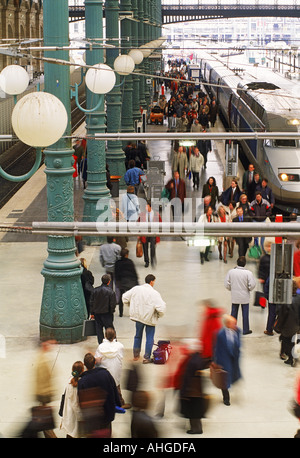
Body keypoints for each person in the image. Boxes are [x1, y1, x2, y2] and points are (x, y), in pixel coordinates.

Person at [122, 274, 166, 364]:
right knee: (149, 338)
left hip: (138, 318)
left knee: (137, 336)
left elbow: (125, 297)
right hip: (150, 319)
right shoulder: (155, 293)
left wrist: (131, 306)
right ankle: (146, 357)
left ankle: (136, 355)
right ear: (151, 282)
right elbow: (161, 308)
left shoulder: (136, 289)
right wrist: (159, 315)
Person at [77, 352, 121, 437]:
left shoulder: (82, 382)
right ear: (95, 363)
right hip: (107, 413)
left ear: (84, 365)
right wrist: (117, 404)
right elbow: (114, 390)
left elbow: (80, 401)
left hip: (92, 419)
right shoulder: (106, 374)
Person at [178, 342, 209, 434]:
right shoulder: (199, 358)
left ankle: (196, 429)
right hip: (198, 391)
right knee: (196, 412)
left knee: (193, 412)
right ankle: (197, 428)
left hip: (192, 391)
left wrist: (183, 391)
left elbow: (187, 377)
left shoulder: (192, 361)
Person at [95, 328, 130, 408]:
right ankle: (120, 402)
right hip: (116, 371)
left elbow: (97, 360)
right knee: (116, 386)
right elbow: (121, 356)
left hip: (105, 373)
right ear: (114, 336)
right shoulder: (120, 346)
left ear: (105, 336)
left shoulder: (101, 347)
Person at [213, 315, 242, 406]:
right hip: (224, 359)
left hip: (234, 359)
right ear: (228, 324)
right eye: (233, 323)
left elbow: (238, 344)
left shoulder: (237, 331)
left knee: (233, 375)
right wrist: (216, 362)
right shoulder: (220, 334)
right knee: (224, 380)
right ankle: (226, 398)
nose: (235, 325)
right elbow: (216, 349)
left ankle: (232, 383)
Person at [224, 256, 256, 335]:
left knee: (234, 312)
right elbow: (252, 285)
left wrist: (231, 288)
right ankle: (245, 330)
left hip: (235, 295)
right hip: (245, 296)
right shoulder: (248, 273)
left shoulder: (231, 272)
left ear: (237, 263)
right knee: (245, 314)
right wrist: (248, 289)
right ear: (245, 264)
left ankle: (232, 328)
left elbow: (226, 283)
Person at [33, 339, 57, 438]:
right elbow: (44, 380)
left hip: (41, 393)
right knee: (45, 419)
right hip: (43, 394)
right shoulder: (43, 361)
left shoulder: (40, 358)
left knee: (43, 417)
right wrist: (49, 392)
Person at [275, 278, 300, 367]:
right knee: (292, 341)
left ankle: (292, 358)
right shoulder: (299, 298)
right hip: (296, 325)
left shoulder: (287, 301)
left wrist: (278, 327)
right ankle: (292, 358)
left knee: (286, 341)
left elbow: (282, 316)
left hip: (288, 326)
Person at [90, 274, 117, 345]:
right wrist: (111, 312)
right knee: (110, 329)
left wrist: (92, 313)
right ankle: (113, 343)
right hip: (107, 314)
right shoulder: (111, 292)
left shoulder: (95, 290)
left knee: (99, 330)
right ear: (109, 281)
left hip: (97, 314)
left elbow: (91, 303)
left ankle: (101, 344)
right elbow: (112, 304)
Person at [60, 361, 84, 438]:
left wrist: (62, 417)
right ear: (82, 371)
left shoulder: (69, 382)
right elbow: (75, 404)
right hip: (75, 417)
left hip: (68, 415)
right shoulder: (79, 384)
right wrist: (81, 418)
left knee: (69, 434)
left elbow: (64, 399)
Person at [258, 238, 276, 335]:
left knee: (272, 310)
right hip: (266, 280)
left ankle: (270, 328)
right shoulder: (264, 258)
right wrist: (261, 277)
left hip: (271, 282)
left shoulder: (275, 257)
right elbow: (260, 268)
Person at [114, 248, 139, 317]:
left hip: (121, 282)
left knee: (121, 297)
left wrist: (117, 282)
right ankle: (132, 312)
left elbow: (116, 273)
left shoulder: (117, 263)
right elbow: (134, 273)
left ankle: (121, 313)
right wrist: (137, 282)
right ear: (126, 255)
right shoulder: (130, 262)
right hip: (130, 282)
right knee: (132, 298)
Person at [138, 201, 162, 268]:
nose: (145, 208)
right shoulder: (142, 214)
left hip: (153, 233)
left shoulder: (156, 214)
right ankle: (147, 261)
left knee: (153, 247)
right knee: (145, 248)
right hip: (144, 233)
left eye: (147, 206)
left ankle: (152, 260)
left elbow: (160, 223)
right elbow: (139, 223)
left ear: (150, 207)